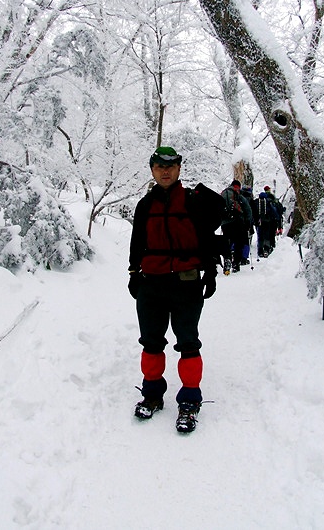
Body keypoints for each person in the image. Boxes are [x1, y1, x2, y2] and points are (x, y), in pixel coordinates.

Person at [128, 146, 224, 433]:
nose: (165, 171)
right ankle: (152, 394)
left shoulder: (194, 201)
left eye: (170, 166)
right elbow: (136, 242)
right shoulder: (145, 205)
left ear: (179, 168)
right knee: (151, 341)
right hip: (152, 283)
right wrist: (134, 273)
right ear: (152, 170)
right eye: (159, 167)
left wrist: (210, 271)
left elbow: (207, 238)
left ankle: (190, 401)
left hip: (186, 282)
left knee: (188, 342)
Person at [220, 179, 253, 273]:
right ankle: (236, 264)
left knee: (227, 242)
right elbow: (248, 209)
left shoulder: (223, 194)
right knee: (239, 242)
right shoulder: (238, 194)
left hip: (225, 223)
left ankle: (227, 259)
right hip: (237, 222)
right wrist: (247, 223)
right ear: (238, 186)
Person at [257, 185, 282, 257]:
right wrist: (277, 219)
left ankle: (260, 251)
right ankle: (267, 249)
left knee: (260, 236)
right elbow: (274, 211)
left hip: (259, 221)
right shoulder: (270, 201)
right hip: (268, 221)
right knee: (267, 235)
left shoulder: (257, 202)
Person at [239, 185, 257, 265]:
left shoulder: (238, 198)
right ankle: (244, 258)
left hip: (237, 222)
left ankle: (234, 253)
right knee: (246, 240)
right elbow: (254, 212)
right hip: (247, 223)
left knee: (236, 239)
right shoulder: (251, 201)